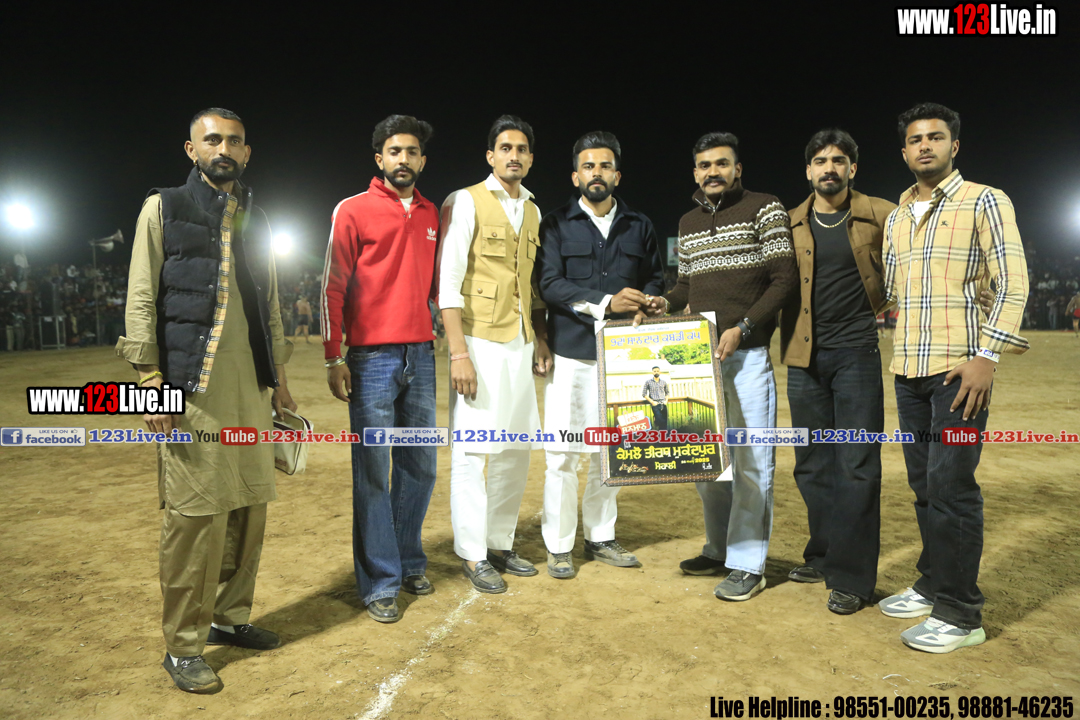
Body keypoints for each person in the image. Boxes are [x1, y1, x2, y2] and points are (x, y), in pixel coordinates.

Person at [116, 108, 296, 694]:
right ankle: (183, 646)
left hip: (252, 386)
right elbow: (141, 296)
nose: (224, 148)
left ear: (247, 152)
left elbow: (269, 302)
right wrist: (149, 381)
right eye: (212, 139)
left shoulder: (257, 217)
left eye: (234, 141)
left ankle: (230, 617)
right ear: (191, 150)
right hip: (191, 389)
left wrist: (280, 381)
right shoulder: (163, 208)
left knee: (250, 505)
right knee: (196, 517)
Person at [879, 102, 1029, 653]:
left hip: (960, 373)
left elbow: (1013, 282)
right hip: (908, 370)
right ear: (904, 152)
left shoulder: (984, 200)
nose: (925, 145)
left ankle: (961, 615)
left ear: (954, 146)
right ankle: (933, 582)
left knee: (952, 487)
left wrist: (986, 356)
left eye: (935, 137)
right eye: (915, 139)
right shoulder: (897, 217)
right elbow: (890, 292)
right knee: (924, 487)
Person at [647, 132, 797, 601]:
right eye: (704, 165)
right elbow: (686, 288)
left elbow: (784, 279)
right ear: (695, 172)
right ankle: (718, 549)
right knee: (705, 459)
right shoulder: (688, 222)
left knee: (752, 462)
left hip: (747, 356)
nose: (712, 172)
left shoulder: (765, 207)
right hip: (700, 359)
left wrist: (744, 328)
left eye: (721, 163)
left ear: (737, 169)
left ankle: (748, 565)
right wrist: (661, 303)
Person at [321, 115, 440, 624]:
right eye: (394, 151)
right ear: (379, 159)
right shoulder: (352, 210)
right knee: (373, 470)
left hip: (421, 356)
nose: (403, 159)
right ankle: (380, 581)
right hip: (371, 359)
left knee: (420, 466)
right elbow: (331, 286)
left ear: (422, 160)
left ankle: (408, 560)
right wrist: (334, 355)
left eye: (411, 152)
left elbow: (436, 287)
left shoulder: (433, 213)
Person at [535, 131, 665, 579]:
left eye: (605, 166)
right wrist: (606, 303)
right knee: (563, 453)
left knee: (613, 451)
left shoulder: (639, 225)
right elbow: (549, 283)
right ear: (576, 176)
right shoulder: (555, 224)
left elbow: (654, 277)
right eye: (588, 166)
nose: (597, 173)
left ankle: (601, 535)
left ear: (617, 175)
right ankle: (558, 545)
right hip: (571, 354)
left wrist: (651, 300)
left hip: (623, 357)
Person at [778, 129, 897, 615]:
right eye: (820, 160)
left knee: (857, 464)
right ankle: (823, 554)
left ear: (853, 168)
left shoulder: (883, 215)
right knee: (812, 463)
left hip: (856, 355)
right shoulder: (788, 222)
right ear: (808, 170)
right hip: (803, 357)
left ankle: (851, 577)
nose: (829, 167)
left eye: (839, 160)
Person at [438, 115, 551, 593]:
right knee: (472, 450)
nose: (514, 156)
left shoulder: (533, 210)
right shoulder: (465, 200)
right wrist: (458, 353)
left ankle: (499, 542)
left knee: (516, 448)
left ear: (530, 158)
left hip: (519, 342)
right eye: (506, 148)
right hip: (478, 341)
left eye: (522, 149)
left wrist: (539, 337)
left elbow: (531, 285)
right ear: (491, 155)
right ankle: (472, 552)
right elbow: (448, 281)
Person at [641, 366, 669, 431]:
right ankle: (656, 422)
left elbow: (667, 392)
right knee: (660, 421)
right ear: (652, 373)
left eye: (657, 371)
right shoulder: (648, 382)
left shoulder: (663, 382)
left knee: (665, 422)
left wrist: (666, 401)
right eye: (654, 371)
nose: (656, 372)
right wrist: (652, 402)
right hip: (655, 404)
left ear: (660, 372)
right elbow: (644, 394)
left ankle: (663, 435)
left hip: (663, 404)